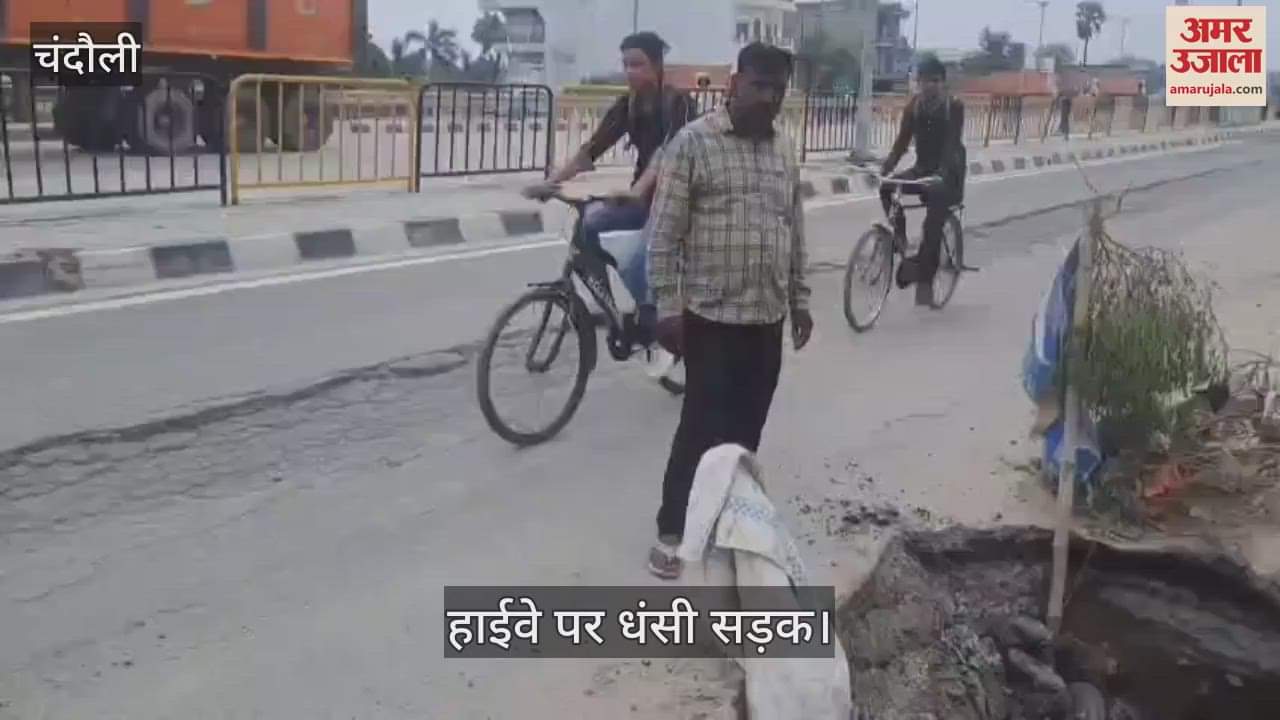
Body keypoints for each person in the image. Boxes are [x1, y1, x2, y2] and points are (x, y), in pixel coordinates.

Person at [644, 42, 815, 580]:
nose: (770, 98)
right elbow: (663, 236)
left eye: (779, 89)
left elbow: (795, 230)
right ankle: (672, 532)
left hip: (766, 318)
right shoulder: (694, 145)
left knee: (746, 433)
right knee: (701, 429)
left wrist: (800, 299)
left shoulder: (783, 151)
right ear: (734, 83)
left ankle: (726, 526)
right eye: (761, 85)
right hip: (712, 319)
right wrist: (668, 310)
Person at [523, 31, 696, 344]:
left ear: (657, 66)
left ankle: (651, 314)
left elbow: (666, 155)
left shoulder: (679, 104)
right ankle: (615, 315)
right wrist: (551, 183)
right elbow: (590, 151)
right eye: (626, 64)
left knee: (639, 255)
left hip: (677, 200)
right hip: (642, 198)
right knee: (589, 225)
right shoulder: (626, 106)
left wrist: (637, 192)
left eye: (638, 64)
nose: (631, 71)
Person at [879, 54, 966, 307]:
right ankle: (901, 237)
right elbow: (901, 143)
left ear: (943, 83)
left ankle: (925, 276)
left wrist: (941, 174)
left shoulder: (954, 107)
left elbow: (951, 145)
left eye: (934, 81)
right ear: (918, 82)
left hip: (949, 174)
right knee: (886, 186)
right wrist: (886, 168)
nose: (929, 86)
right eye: (924, 81)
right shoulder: (913, 107)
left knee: (933, 221)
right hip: (923, 169)